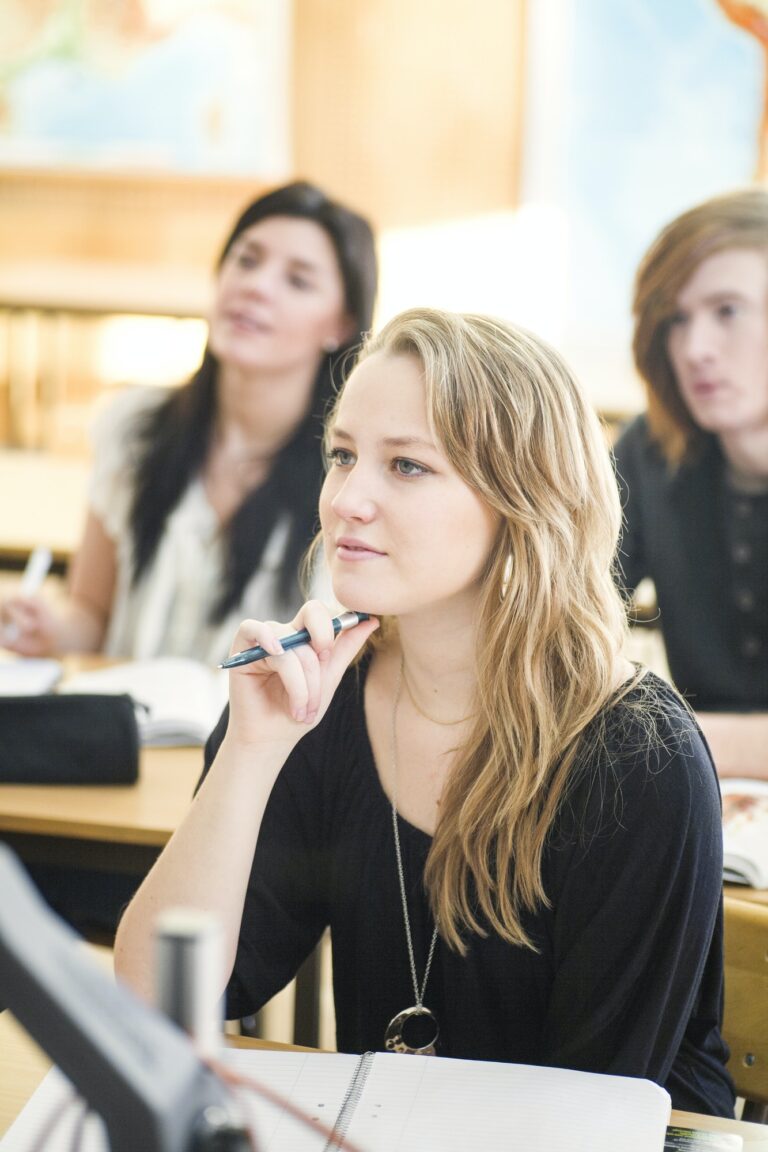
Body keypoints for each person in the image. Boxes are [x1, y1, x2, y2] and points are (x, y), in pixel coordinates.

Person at [115, 308, 734, 1116]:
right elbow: (156, 1002)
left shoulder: (638, 759)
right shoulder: (315, 701)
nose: (345, 500)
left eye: (406, 467)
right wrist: (252, 754)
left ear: (522, 501)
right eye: (342, 456)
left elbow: (593, 1112)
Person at [0, 181, 377, 665]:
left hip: (268, 739)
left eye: (297, 280)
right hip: (131, 730)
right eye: (246, 260)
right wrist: (49, 629)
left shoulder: (349, 471)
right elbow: (91, 613)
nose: (256, 286)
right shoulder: (135, 427)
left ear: (340, 325)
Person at [614, 187, 768, 778]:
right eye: (677, 320)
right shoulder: (649, 452)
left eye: (727, 311)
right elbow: (563, 617)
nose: (695, 349)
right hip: (703, 805)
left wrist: (655, 736)